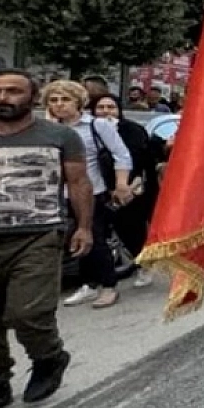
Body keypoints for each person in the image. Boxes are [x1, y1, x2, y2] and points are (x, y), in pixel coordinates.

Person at [0, 71, 92, 408]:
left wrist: (84, 227)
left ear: (32, 97)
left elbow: (78, 182)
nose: (4, 98)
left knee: (27, 312)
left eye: (14, 91)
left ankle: (49, 357)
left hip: (39, 236)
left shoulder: (60, 136)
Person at [45, 80, 134, 309]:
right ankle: (87, 284)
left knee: (94, 239)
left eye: (65, 99)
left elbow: (121, 155)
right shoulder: (47, 130)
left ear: (78, 102)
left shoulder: (97, 126)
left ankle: (108, 285)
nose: (59, 105)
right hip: (57, 193)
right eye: (53, 100)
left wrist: (122, 184)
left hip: (92, 191)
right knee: (70, 240)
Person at [89, 93, 160, 288]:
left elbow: (139, 157)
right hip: (99, 187)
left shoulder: (132, 130)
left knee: (132, 227)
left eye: (110, 107)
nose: (106, 112)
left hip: (132, 187)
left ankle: (144, 263)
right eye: (101, 108)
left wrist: (127, 184)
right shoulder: (89, 130)